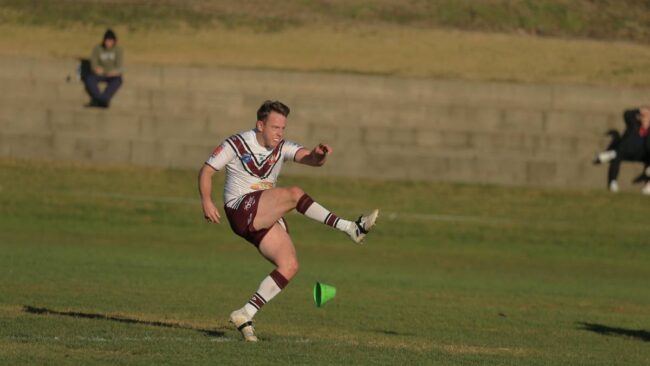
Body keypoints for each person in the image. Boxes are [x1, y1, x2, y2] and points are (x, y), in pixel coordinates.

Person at [198, 100, 379, 342]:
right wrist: (207, 201)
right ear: (260, 125)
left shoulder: (281, 147)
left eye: (283, 128)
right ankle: (350, 227)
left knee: (290, 266)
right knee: (294, 194)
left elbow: (310, 159)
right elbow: (207, 170)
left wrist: (318, 155)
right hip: (240, 208)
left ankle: (245, 313)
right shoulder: (237, 143)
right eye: (275, 127)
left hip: (262, 213)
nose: (279, 133)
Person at [594, 106, 650, 194]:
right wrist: (640, 110)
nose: (644, 119)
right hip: (627, 151)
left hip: (643, 155)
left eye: (647, 117)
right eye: (643, 116)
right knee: (617, 156)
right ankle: (612, 183)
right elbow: (627, 114)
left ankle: (648, 186)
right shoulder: (634, 124)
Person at [84, 29, 123, 108]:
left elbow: (119, 67)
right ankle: (100, 100)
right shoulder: (97, 48)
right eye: (107, 41)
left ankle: (102, 99)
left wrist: (114, 72)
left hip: (112, 75)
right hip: (100, 73)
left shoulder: (118, 50)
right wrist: (96, 69)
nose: (108, 43)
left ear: (114, 41)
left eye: (110, 41)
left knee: (118, 80)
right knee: (89, 79)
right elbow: (93, 64)